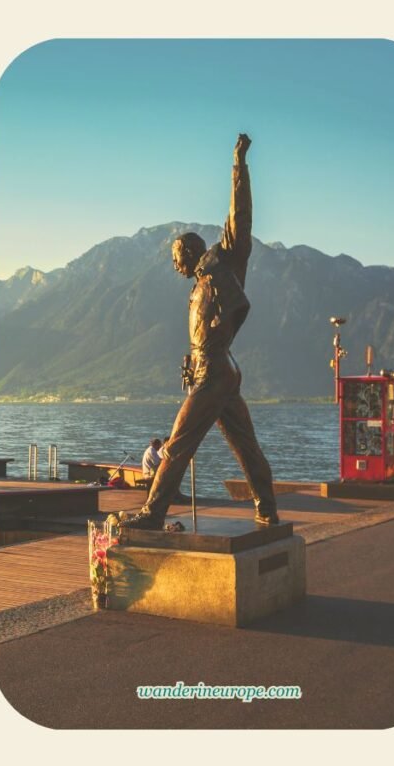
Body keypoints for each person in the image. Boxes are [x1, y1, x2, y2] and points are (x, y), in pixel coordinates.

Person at [121, 134, 279, 529]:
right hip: (216, 369)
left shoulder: (223, 264)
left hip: (217, 372)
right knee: (246, 447)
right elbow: (209, 332)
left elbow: (239, 216)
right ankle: (267, 507)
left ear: (189, 252)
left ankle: (153, 514)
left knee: (177, 445)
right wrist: (193, 360)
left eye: (176, 257)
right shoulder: (199, 287)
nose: (174, 264)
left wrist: (238, 164)